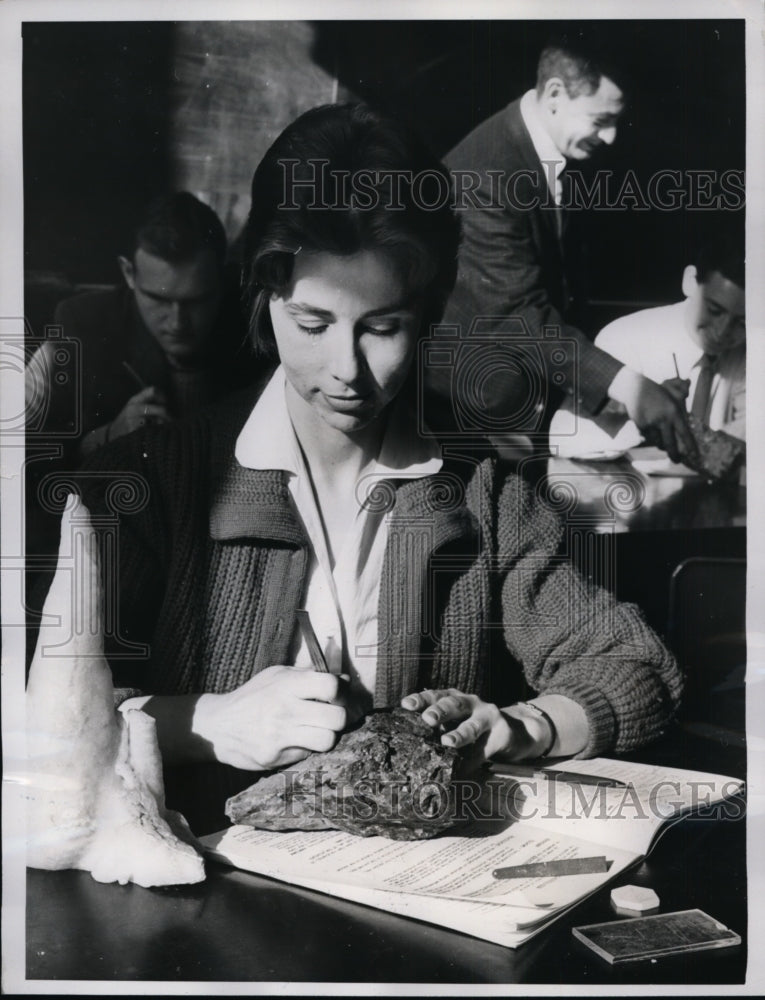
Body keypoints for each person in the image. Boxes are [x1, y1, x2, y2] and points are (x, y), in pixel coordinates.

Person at [68, 103, 680, 820]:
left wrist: (518, 726)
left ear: (426, 313)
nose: (347, 370)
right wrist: (204, 722)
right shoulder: (148, 479)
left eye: (383, 328)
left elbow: (636, 667)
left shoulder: (479, 487)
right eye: (312, 323)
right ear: (264, 296)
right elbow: (36, 714)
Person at [430, 29, 697, 464]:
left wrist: (620, 394)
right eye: (601, 120)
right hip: (467, 418)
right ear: (555, 93)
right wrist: (628, 387)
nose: (611, 138)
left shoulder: (551, 151)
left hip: (525, 401)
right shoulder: (485, 176)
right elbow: (517, 314)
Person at [25, 191, 254, 461]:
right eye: (158, 299)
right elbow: (15, 444)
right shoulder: (80, 323)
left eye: (197, 300)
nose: (178, 322)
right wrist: (107, 436)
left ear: (222, 277)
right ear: (128, 274)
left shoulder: (256, 325)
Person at [549, 225, 746, 455]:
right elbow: (562, 438)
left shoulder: (752, 351)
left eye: (742, 322)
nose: (722, 332)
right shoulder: (624, 338)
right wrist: (643, 423)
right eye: (714, 310)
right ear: (690, 281)